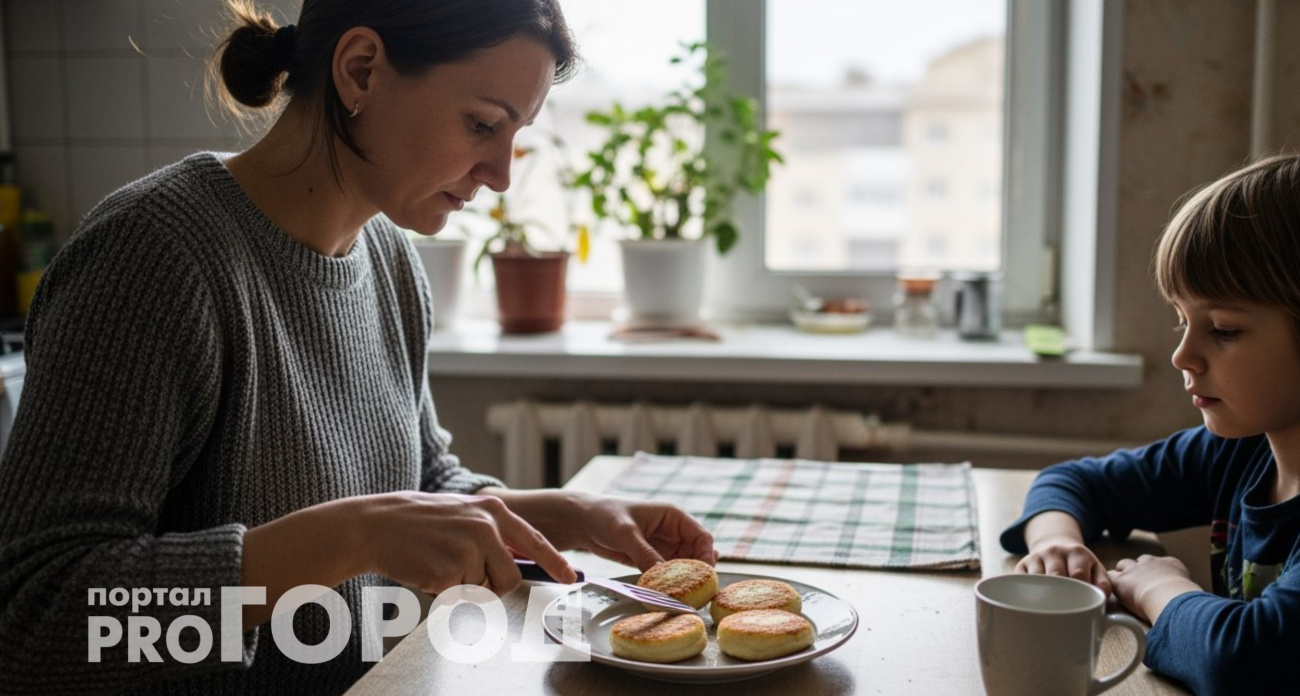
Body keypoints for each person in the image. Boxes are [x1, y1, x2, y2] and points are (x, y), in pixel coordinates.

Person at [0, 1, 716, 694]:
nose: (500, 176)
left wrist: (570, 514)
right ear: (362, 70)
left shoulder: (390, 260)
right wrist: (348, 539)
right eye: (481, 125)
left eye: (514, 135)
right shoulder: (154, 258)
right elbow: (39, 625)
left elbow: (424, 487)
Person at [1000, 153, 1300, 696]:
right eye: (1182, 321)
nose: (1182, 355)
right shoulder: (1240, 452)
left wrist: (1161, 589)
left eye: (1224, 330)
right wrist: (1056, 542)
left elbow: (1247, 663)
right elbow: (1077, 481)